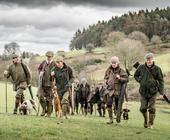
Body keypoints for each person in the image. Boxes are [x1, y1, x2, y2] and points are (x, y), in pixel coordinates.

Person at [134, 53, 164, 129]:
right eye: (147, 59)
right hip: (143, 92)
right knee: (142, 108)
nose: (149, 61)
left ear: (153, 59)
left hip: (153, 92)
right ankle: (145, 120)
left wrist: (161, 92)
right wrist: (140, 80)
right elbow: (135, 75)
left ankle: (150, 124)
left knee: (152, 108)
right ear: (146, 60)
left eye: (150, 59)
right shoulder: (141, 67)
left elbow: (161, 81)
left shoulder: (157, 69)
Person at [104, 56, 128, 124]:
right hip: (110, 90)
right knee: (108, 104)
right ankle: (111, 119)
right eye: (112, 63)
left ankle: (118, 118)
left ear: (118, 63)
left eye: (115, 63)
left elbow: (126, 79)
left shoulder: (121, 71)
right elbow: (105, 77)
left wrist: (120, 78)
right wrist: (106, 81)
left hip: (118, 91)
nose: (113, 64)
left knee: (118, 106)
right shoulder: (108, 70)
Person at [38, 51, 55, 117]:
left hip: (50, 84)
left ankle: (49, 113)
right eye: (47, 57)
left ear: (52, 57)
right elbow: (39, 68)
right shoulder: (43, 63)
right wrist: (40, 72)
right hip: (42, 84)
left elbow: (58, 72)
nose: (48, 58)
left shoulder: (54, 64)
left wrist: (54, 73)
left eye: (50, 57)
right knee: (40, 96)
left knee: (49, 99)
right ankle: (44, 109)